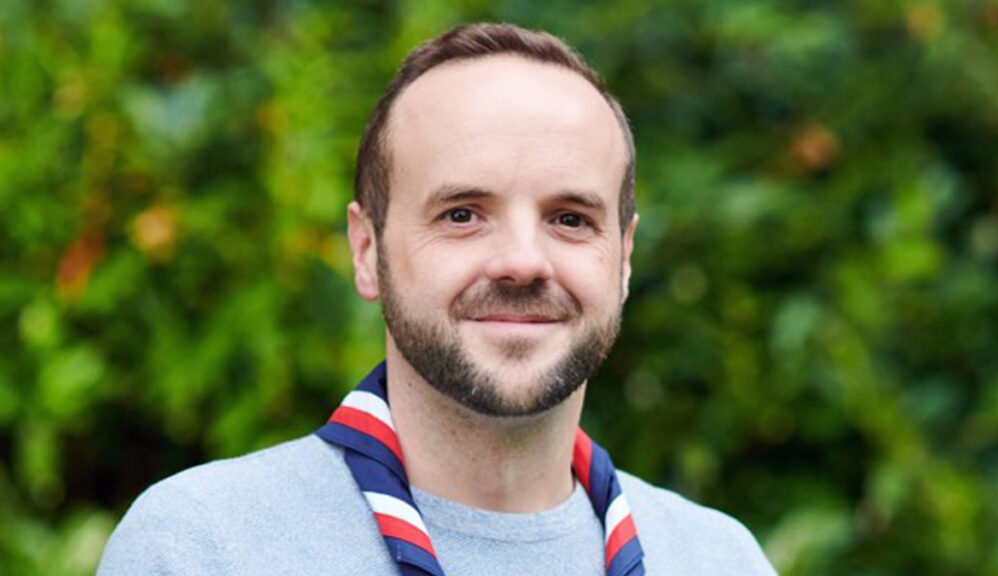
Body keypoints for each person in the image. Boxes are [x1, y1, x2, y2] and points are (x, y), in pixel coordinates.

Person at [97, 23, 777, 576]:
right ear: (366, 250)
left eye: (570, 219)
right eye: (462, 214)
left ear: (623, 258)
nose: (521, 261)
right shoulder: (202, 548)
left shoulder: (719, 560)